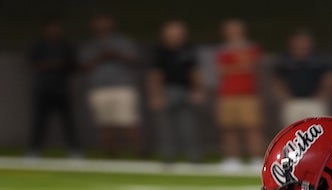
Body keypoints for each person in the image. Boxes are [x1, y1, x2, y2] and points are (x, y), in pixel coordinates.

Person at [79, 14, 142, 157]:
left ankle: (139, 153)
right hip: (99, 88)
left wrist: (116, 55)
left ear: (111, 23)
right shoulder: (90, 44)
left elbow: (135, 60)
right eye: (98, 22)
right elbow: (83, 66)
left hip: (122, 87)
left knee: (129, 122)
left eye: (105, 22)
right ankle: (110, 155)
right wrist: (100, 56)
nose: (102, 25)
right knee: (105, 125)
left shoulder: (122, 41)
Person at [147, 20, 204, 164]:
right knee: (165, 127)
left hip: (186, 91)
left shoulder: (188, 50)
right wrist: (156, 95)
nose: (176, 36)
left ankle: (194, 156)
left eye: (179, 33)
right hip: (167, 91)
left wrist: (198, 90)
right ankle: (168, 157)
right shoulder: (159, 52)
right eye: (172, 33)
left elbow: (194, 72)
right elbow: (155, 75)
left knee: (189, 126)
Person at [26, 19, 81, 159]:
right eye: (51, 28)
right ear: (45, 30)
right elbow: (33, 64)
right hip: (42, 89)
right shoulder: (39, 45)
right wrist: (52, 64)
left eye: (56, 28)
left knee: (68, 122)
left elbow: (73, 66)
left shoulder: (66, 46)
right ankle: (34, 150)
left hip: (62, 89)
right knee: (39, 122)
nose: (53, 31)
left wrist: (59, 65)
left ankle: (75, 151)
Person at [215, 18, 263, 169]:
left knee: (252, 128)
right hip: (227, 94)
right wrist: (237, 66)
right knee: (229, 128)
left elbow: (251, 66)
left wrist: (232, 67)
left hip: (248, 94)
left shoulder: (251, 48)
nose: (232, 33)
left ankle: (257, 158)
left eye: (235, 29)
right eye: (229, 30)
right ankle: (232, 159)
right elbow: (221, 70)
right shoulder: (222, 49)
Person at [272, 29, 332, 127]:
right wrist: (284, 97)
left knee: (319, 128)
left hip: (314, 101)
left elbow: (331, 78)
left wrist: (323, 95)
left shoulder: (319, 59)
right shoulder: (285, 60)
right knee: (292, 130)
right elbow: (277, 80)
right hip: (293, 102)